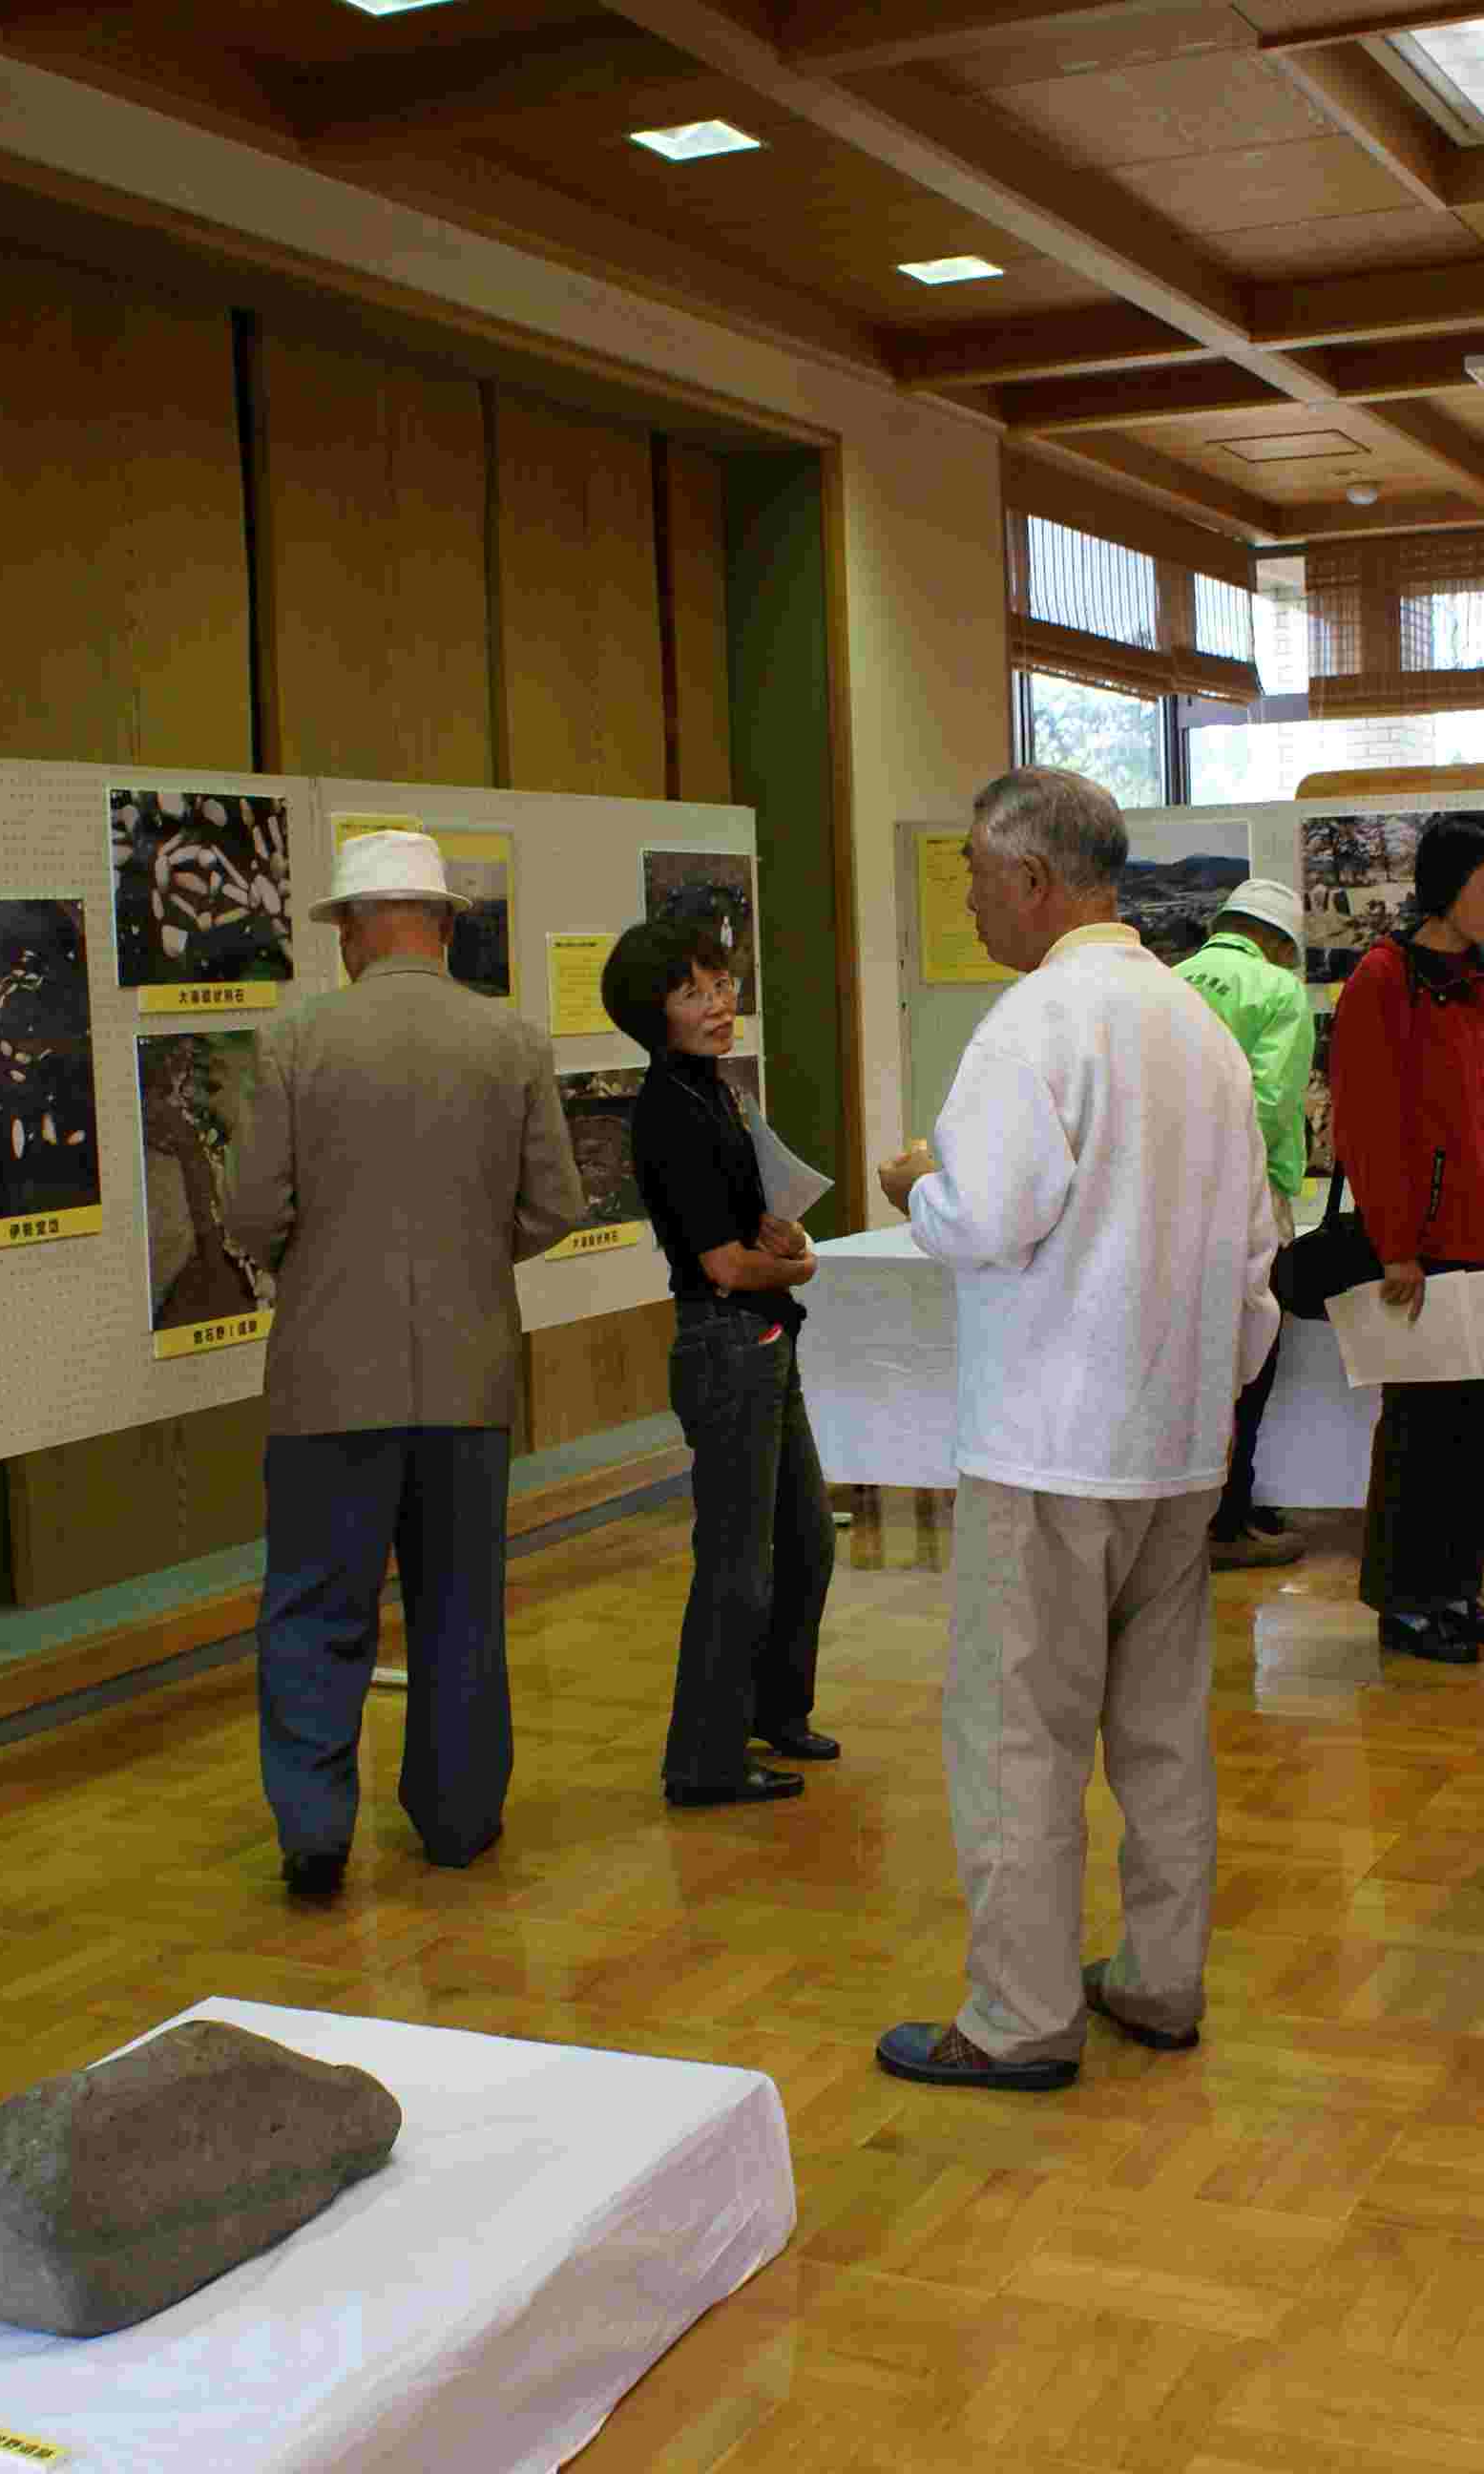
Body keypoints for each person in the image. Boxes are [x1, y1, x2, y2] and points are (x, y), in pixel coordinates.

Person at [869, 768, 1282, 2093]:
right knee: (1163, 1732)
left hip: (1047, 1444)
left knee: (1017, 1734)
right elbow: (1258, 1259)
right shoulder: (1200, 1030)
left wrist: (924, 1187)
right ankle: (1160, 1978)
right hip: (1174, 1446)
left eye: (983, 881)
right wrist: (1207, 1397)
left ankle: (1020, 2015)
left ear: (1035, 881)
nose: (978, 905)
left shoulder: (1036, 1021)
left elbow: (988, 1220)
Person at [229, 828, 583, 1897]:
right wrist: (476, 1254)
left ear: (352, 927)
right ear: (437, 924)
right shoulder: (510, 1041)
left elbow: (251, 1211)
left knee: (314, 1605)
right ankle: (457, 1819)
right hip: (470, 1376)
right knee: (460, 1606)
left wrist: (315, 1260)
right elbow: (555, 1204)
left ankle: (312, 1830)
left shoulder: (297, 1041)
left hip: (326, 1378)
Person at [606, 917, 835, 1811]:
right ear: (651, 1010)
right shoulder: (669, 1110)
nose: (718, 1002)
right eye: (693, 990)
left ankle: (775, 1711)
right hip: (727, 1341)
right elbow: (723, 1265)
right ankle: (702, 1757)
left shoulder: (720, 1093)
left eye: (722, 984)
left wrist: (784, 1240)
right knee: (736, 1561)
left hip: (763, 1337)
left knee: (805, 1541)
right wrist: (799, 1263)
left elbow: (753, 1236)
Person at [1332, 816, 1484, 1667]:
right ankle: (1406, 1603)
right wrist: (1395, 1246)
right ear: (1445, 884)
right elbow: (1367, 1122)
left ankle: (1456, 1591)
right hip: (1427, 1245)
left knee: (1481, 1433)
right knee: (1421, 1431)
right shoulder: (1385, 978)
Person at [1173, 877, 1313, 1569]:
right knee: (1251, 1362)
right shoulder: (1278, 991)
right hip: (1248, 1202)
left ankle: (1184, 1515)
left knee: (1182, 1361)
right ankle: (1229, 1518)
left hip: (1167, 1203)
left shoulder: (1169, 981)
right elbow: (1272, 1101)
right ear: (1279, 942)